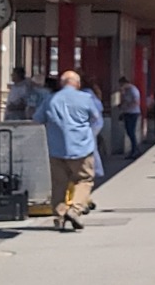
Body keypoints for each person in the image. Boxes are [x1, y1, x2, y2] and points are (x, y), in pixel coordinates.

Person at [34, 68, 104, 232]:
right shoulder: (86, 98)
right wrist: (90, 135)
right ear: (77, 84)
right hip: (82, 147)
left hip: (56, 148)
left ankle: (59, 216)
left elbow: (37, 119)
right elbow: (96, 119)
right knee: (84, 179)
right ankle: (75, 209)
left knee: (59, 183)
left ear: (61, 83)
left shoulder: (50, 100)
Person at [115, 75, 142, 156]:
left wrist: (127, 106)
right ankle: (134, 149)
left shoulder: (133, 90)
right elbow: (123, 100)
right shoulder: (125, 91)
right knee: (128, 131)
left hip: (133, 113)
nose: (121, 86)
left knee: (131, 131)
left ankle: (135, 150)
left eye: (121, 84)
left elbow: (136, 102)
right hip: (126, 112)